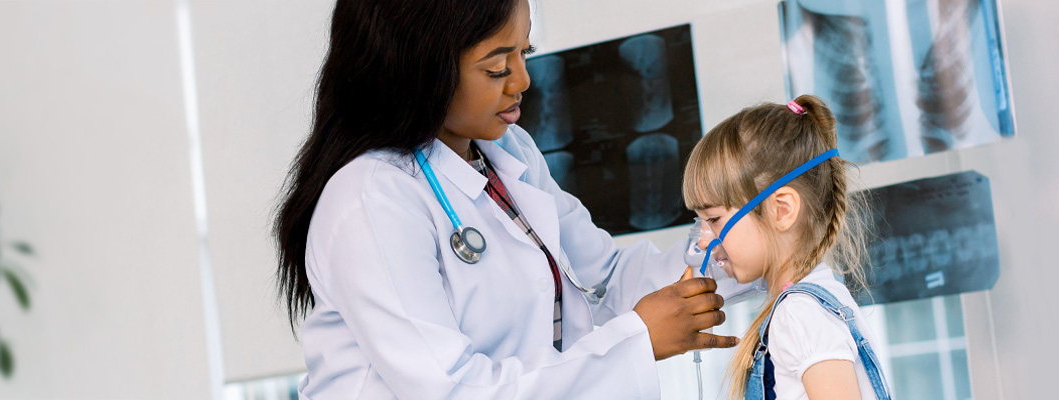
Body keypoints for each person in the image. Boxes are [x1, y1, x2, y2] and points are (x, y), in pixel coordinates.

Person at [271, 0, 740, 398]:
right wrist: (637, 341)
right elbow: (452, 390)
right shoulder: (372, 198)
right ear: (419, 67)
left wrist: (735, 244)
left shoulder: (507, 151)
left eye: (525, 52)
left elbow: (605, 280)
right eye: (497, 66)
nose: (522, 81)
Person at [682, 95, 892, 400]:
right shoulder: (815, 298)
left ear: (781, 210)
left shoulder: (798, 313)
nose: (702, 241)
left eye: (713, 219)